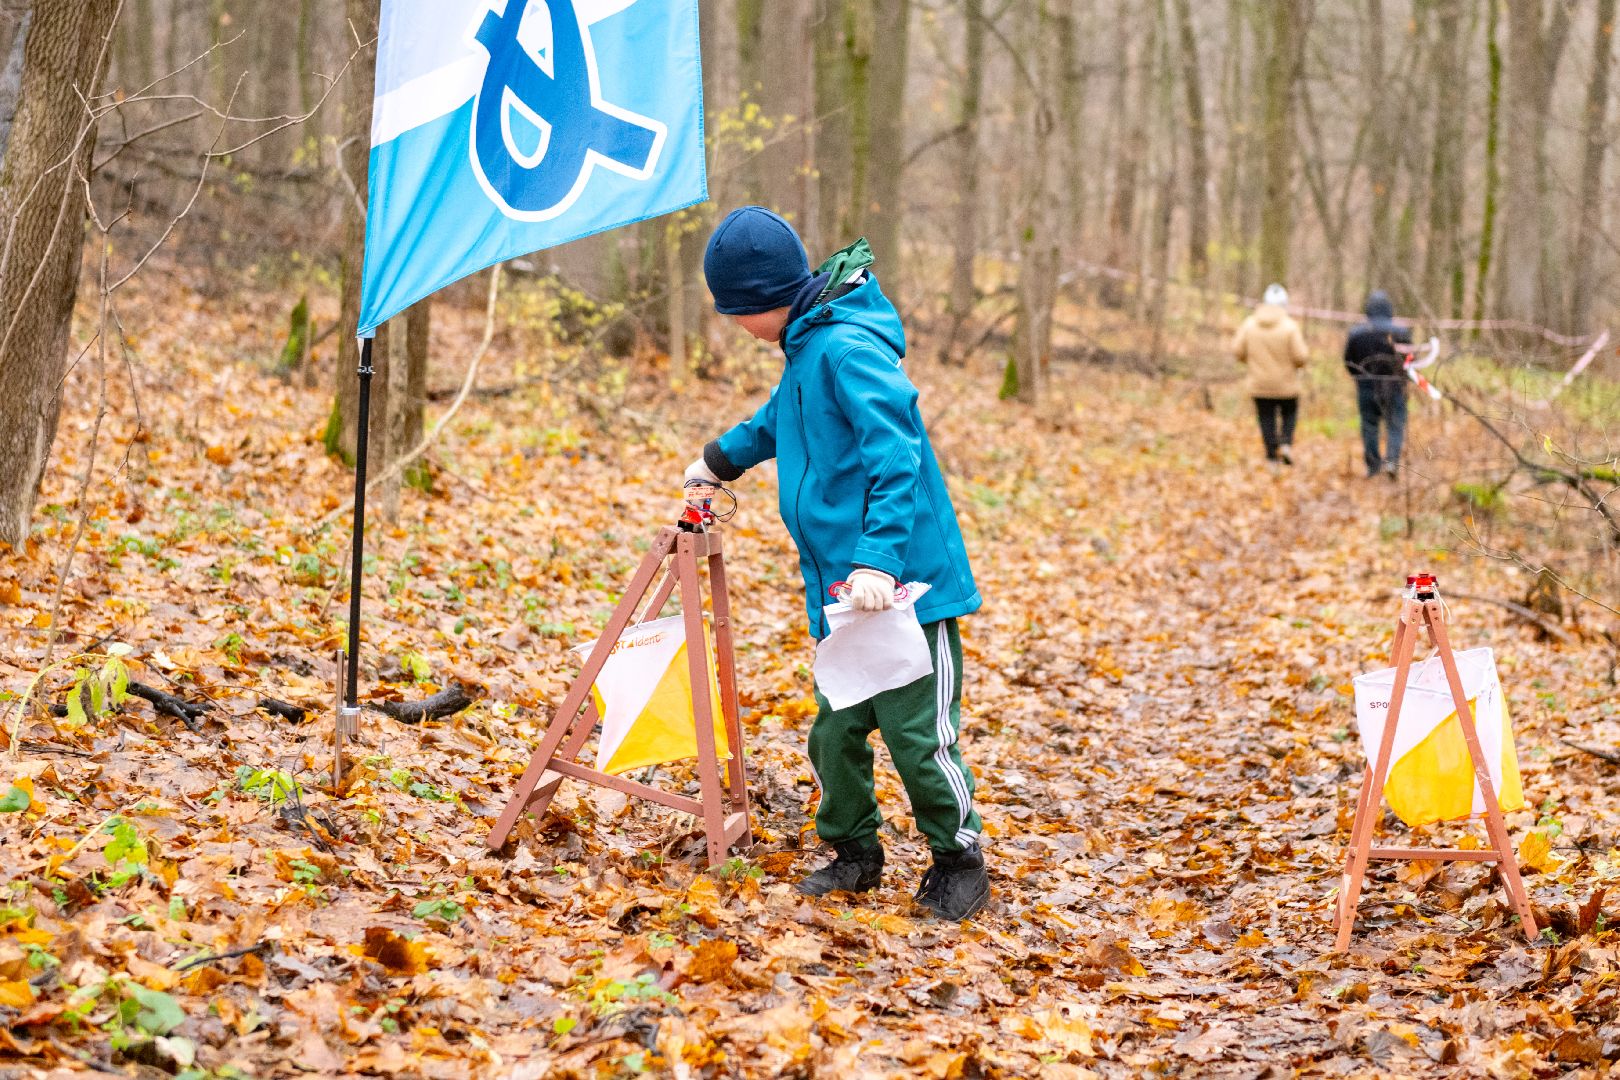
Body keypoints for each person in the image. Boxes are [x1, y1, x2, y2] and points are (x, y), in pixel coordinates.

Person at [684, 206, 989, 921]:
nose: (735, 327)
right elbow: (776, 424)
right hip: (842, 597)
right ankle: (855, 852)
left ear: (764, 300)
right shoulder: (805, 348)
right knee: (837, 730)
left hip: (905, 592)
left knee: (919, 739)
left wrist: (879, 561)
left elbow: (896, 455)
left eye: (736, 313)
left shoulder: (847, 349)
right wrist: (716, 461)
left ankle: (958, 858)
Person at [1231, 283, 1309, 465]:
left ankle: (1271, 454)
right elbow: (1301, 356)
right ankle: (1286, 443)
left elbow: (1237, 350)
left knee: (1266, 418)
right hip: (1286, 384)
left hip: (1259, 383)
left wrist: (1251, 362)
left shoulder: (1250, 324)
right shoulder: (1290, 326)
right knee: (1289, 413)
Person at [1344, 290, 1412, 479]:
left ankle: (1374, 467)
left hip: (1366, 387)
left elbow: (1349, 361)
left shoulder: (1357, 333)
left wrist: (1359, 377)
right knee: (1395, 425)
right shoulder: (1401, 332)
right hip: (1394, 387)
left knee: (1370, 426)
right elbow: (1410, 361)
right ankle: (1391, 462)